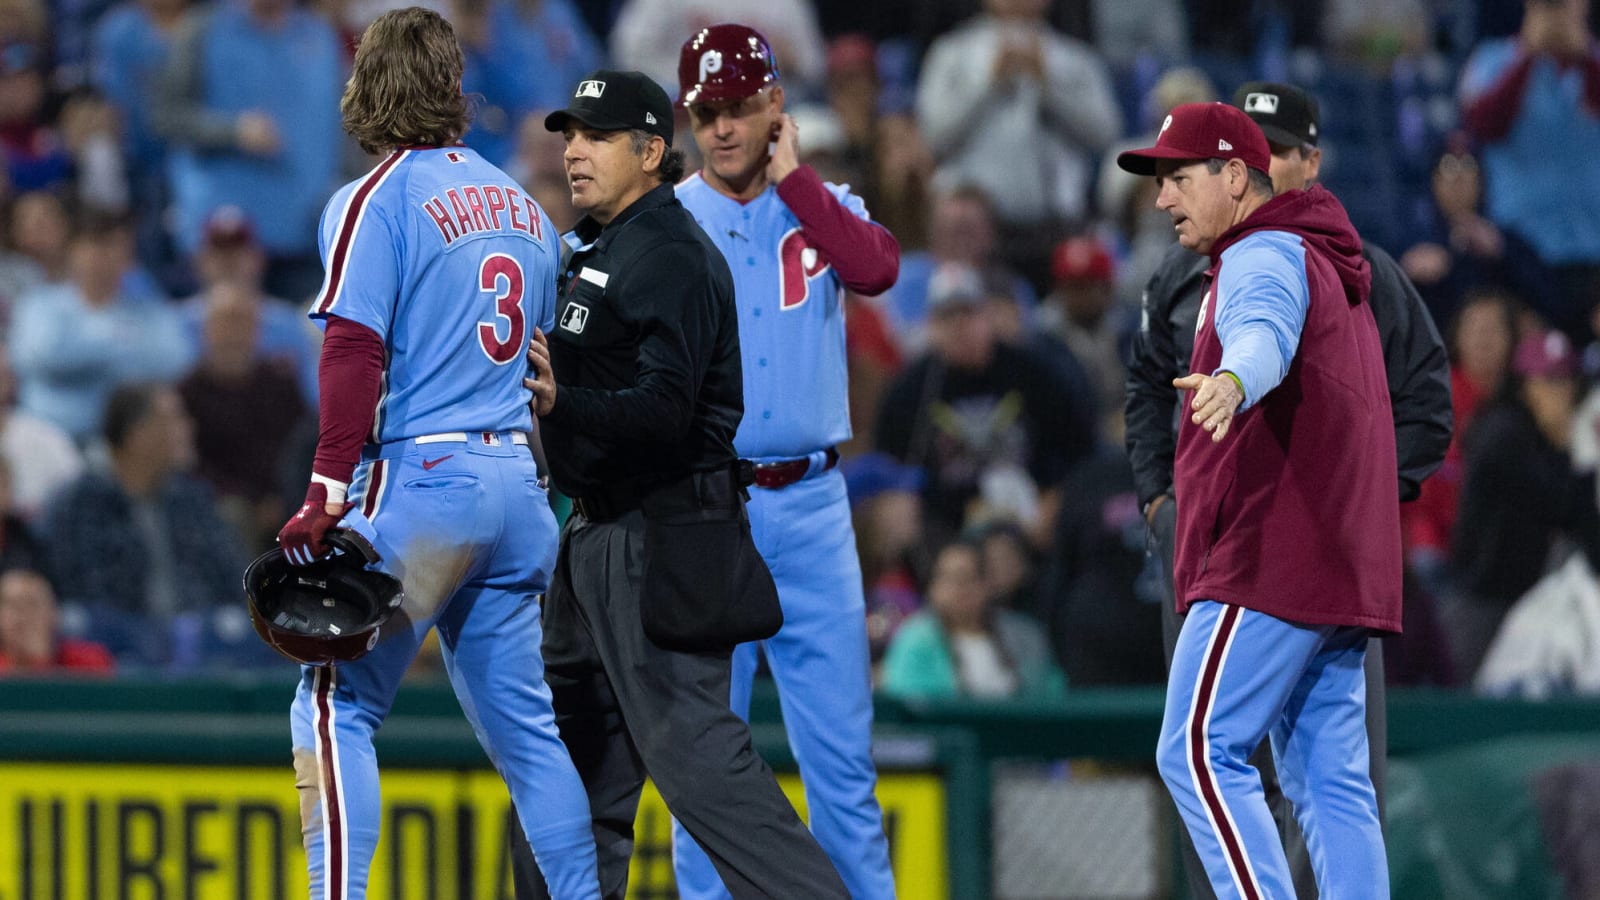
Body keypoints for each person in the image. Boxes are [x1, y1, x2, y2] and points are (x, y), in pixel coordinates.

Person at [270, 10, 599, 897]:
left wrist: (325, 489)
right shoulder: (525, 207)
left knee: (336, 705)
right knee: (531, 736)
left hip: (425, 479)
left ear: (366, 86)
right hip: (517, 486)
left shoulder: (374, 197)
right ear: (455, 90)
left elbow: (351, 350)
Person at [509, 68, 849, 900]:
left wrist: (563, 398)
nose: (573, 150)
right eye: (569, 134)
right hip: (594, 537)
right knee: (568, 779)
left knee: (703, 772)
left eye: (594, 136)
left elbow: (667, 410)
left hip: (659, 538)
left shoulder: (671, 252)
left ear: (651, 151)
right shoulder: (604, 245)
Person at [1123, 82, 1452, 897]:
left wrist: (1235, 378)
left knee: (1196, 751)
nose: (1162, 197)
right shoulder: (1326, 254)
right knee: (1332, 785)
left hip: (1272, 555)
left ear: (1236, 176)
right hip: (1336, 567)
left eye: (1179, 175)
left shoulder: (1262, 252)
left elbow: (1262, 329)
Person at [665, 24, 898, 900]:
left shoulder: (825, 203)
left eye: (741, 108)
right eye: (709, 111)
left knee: (842, 767)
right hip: (704, 513)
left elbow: (876, 269)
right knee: (704, 777)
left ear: (776, 108)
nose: (724, 128)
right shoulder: (668, 218)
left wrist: (797, 179)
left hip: (809, 507)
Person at [879, 536, 1066, 701]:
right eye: (948, 579)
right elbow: (909, 702)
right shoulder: (916, 639)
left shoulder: (1025, 635)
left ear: (987, 584)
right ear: (933, 586)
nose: (959, 589)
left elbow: (1052, 696)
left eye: (968, 578)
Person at [0, 568, 114, 674]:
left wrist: (40, 659)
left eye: (32, 604)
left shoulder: (89, 661)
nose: (23, 615)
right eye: (13, 605)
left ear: (54, 614)